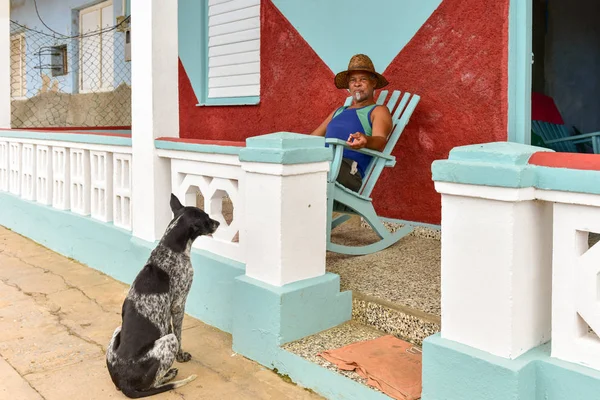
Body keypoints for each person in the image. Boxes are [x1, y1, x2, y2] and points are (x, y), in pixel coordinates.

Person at [311, 54, 393, 192]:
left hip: (347, 171)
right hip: (323, 164)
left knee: (301, 173)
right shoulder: (339, 111)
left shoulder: (378, 111)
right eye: (353, 80)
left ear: (373, 83)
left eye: (363, 79)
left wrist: (365, 140)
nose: (357, 84)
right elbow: (311, 138)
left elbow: (380, 140)